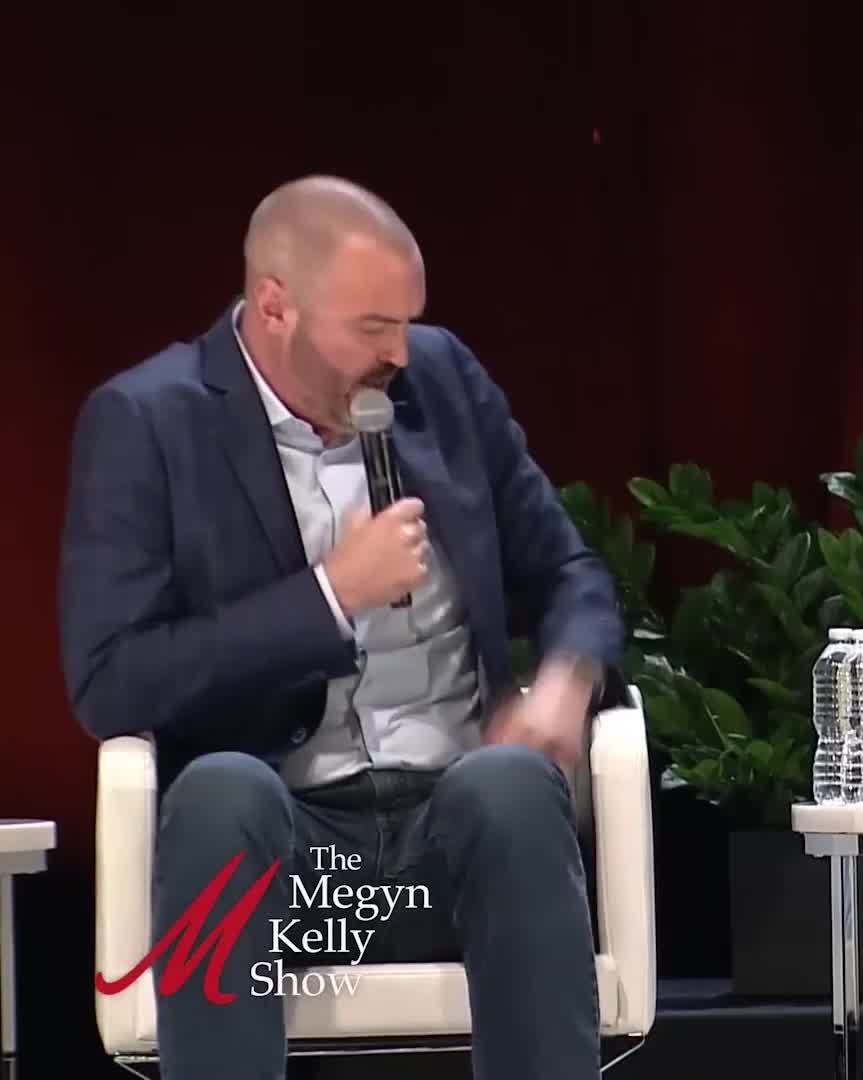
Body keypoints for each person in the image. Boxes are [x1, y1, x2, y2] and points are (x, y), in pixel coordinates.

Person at [58, 175, 624, 1079]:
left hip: (454, 833)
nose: (400, 354)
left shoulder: (443, 378)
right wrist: (329, 595)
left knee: (512, 786)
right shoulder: (148, 422)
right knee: (219, 794)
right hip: (289, 853)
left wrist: (565, 681)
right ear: (274, 307)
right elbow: (111, 680)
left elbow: (571, 571)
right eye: (371, 328)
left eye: (407, 323)